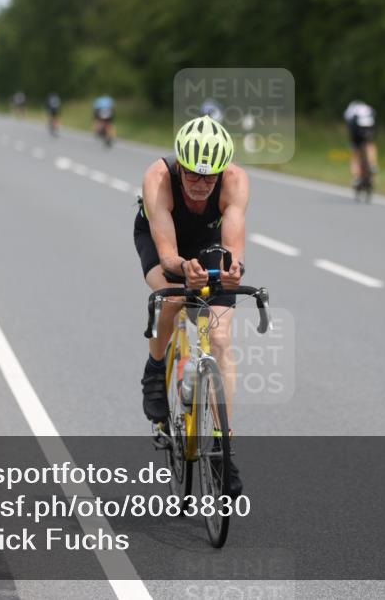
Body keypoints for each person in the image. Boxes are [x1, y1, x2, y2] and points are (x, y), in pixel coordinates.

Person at [134, 115, 249, 496]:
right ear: (180, 166)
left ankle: (223, 441)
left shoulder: (234, 180)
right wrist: (185, 268)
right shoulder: (158, 178)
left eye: (209, 178)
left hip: (208, 239)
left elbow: (233, 244)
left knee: (220, 338)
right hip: (162, 237)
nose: (201, 185)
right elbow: (167, 253)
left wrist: (232, 271)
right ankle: (155, 370)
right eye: (193, 176)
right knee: (175, 292)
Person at [343, 100, 378, 197]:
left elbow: (349, 129)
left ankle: (357, 178)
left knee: (355, 153)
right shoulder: (368, 108)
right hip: (371, 123)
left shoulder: (350, 111)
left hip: (355, 126)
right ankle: (372, 165)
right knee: (370, 145)